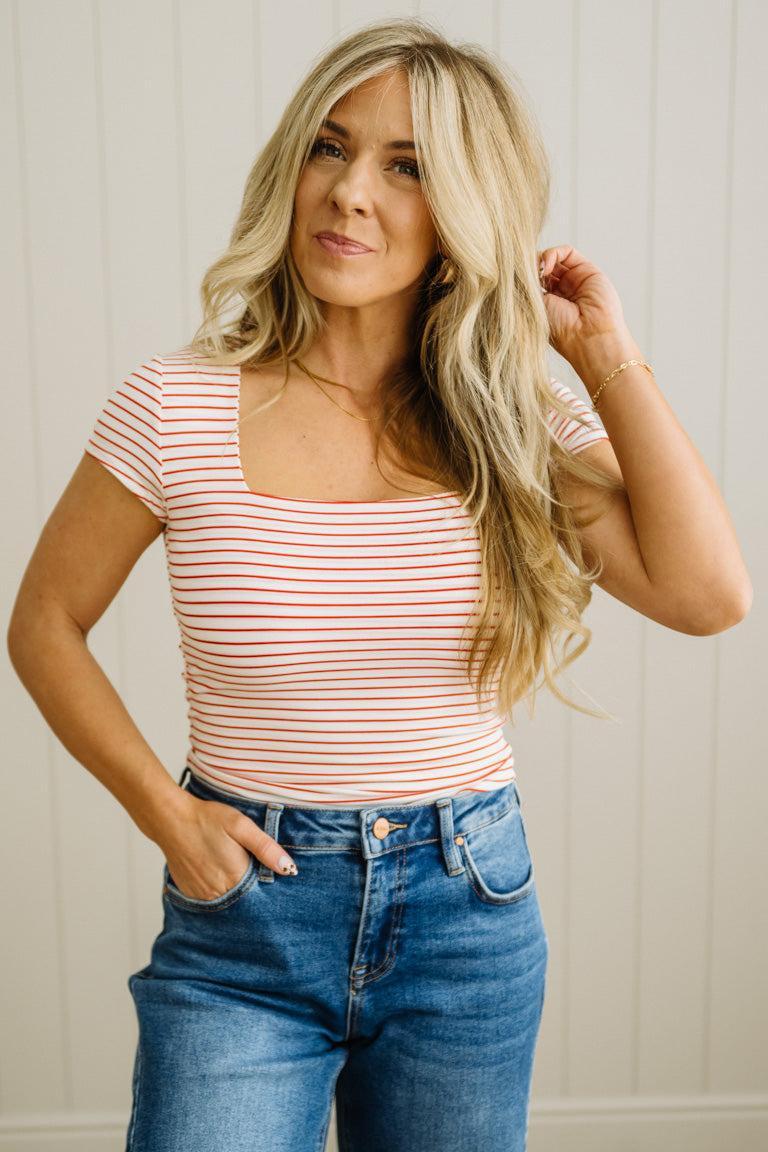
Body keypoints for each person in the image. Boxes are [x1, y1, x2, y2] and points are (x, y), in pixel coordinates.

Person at [6, 16, 752, 1152]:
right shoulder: (176, 406)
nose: (351, 191)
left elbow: (709, 596)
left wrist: (600, 356)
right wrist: (170, 818)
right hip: (245, 922)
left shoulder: (510, 426)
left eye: (406, 167)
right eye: (329, 146)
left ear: (463, 213)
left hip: (469, 912)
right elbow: (45, 624)